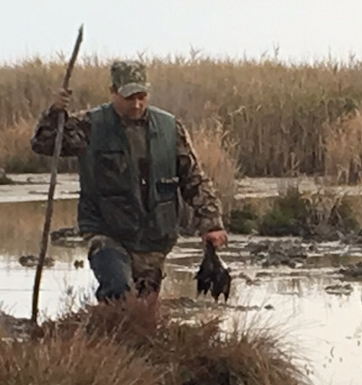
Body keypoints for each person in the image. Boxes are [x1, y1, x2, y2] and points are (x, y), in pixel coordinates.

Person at [31, 59, 227, 300]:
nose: (136, 104)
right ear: (113, 92)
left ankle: (119, 336)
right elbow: (45, 145)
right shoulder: (90, 125)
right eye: (128, 97)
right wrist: (54, 113)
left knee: (143, 309)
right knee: (118, 289)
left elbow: (193, 179)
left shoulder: (169, 128)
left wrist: (212, 223)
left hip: (155, 236)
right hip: (106, 231)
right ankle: (98, 332)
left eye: (141, 96)